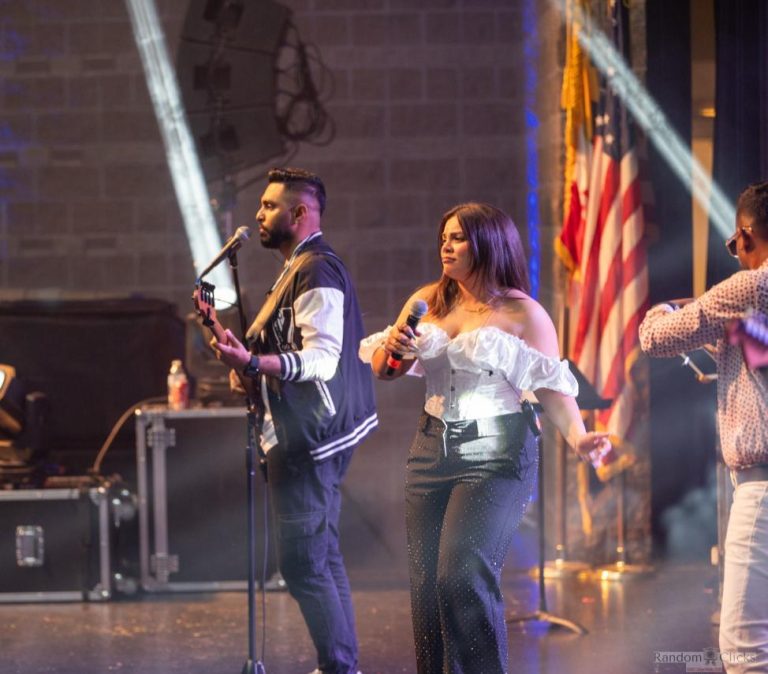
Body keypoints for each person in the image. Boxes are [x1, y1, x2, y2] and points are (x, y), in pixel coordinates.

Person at [358, 202, 611, 674]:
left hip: (497, 453)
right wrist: (393, 349)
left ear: (488, 243)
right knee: (428, 586)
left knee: (462, 575)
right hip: (431, 450)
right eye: (443, 237)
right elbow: (384, 370)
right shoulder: (427, 301)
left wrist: (578, 438)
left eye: (457, 238)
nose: (445, 246)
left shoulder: (524, 313)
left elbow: (551, 387)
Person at [212, 167, 377, 674]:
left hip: (311, 438)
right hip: (304, 434)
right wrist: (243, 360)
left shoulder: (316, 270)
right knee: (320, 556)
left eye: (269, 206)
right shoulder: (296, 269)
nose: (258, 214)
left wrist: (254, 363)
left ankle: (339, 665)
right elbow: (279, 351)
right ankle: (341, 663)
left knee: (303, 563)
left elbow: (322, 360)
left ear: (300, 213)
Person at [639, 181, 768, 674]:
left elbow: (655, 338)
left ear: (746, 234)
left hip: (762, 489)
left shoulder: (749, 287)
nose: (737, 255)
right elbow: (756, 353)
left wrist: (670, 308)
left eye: (735, 244)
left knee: (744, 646)